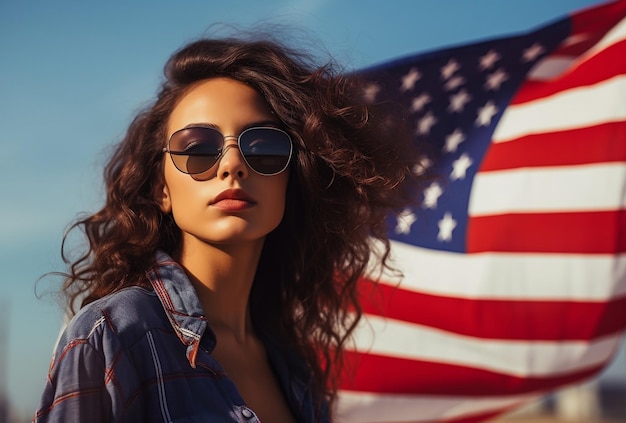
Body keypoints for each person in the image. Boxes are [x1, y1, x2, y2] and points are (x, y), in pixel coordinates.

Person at [33, 32, 420, 422]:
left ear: (292, 179)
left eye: (264, 146)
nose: (233, 165)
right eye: (198, 148)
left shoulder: (293, 365)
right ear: (160, 188)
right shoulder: (112, 335)